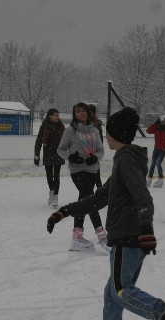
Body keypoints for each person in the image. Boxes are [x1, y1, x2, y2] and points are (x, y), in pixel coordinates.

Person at [46, 107, 165, 320]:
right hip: (130, 236)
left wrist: (146, 228)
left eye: (107, 133)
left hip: (128, 236)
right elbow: (99, 198)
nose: (105, 137)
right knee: (112, 295)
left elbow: (143, 196)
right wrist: (65, 211)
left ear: (115, 134)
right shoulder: (126, 159)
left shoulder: (125, 160)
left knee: (121, 291)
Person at [56, 102, 107, 251]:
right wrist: (71, 157)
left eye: (83, 110)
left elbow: (100, 150)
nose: (81, 113)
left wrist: (95, 158)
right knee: (89, 200)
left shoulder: (95, 130)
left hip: (92, 170)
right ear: (74, 114)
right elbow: (60, 149)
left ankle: (77, 236)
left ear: (88, 113)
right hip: (77, 170)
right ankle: (101, 235)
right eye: (78, 111)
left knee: (84, 200)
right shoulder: (70, 130)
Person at [34, 108, 66, 208]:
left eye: (58, 115)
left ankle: (56, 196)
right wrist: (37, 155)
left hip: (58, 153)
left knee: (56, 176)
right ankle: (51, 191)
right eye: (55, 115)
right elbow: (39, 140)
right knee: (49, 175)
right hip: (47, 153)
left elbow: (66, 140)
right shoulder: (44, 126)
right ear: (49, 116)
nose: (57, 117)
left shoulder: (61, 126)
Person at [146, 115, 165, 188]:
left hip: (164, 149)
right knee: (153, 163)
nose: (163, 123)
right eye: (161, 121)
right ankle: (149, 179)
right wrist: (154, 123)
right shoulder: (157, 127)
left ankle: (160, 180)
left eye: (164, 121)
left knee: (158, 162)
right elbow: (148, 131)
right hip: (156, 148)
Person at [88, 103, 105, 191]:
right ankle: (91, 192)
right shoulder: (84, 123)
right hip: (86, 152)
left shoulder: (96, 124)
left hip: (93, 153)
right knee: (92, 175)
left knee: (96, 174)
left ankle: (99, 192)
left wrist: (96, 151)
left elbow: (100, 139)